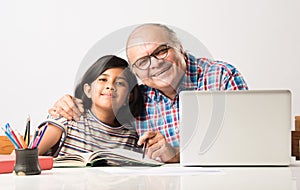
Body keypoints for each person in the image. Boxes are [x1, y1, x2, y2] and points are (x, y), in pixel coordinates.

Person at [48, 23, 248, 162]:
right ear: (136, 72)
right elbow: (105, 110)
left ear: (179, 47)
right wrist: (69, 104)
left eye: (161, 51)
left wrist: (179, 154)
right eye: (142, 62)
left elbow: (246, 142)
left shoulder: (220, 76)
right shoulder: (136, 98)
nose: (155, 64)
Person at [38, 55, 143, 157]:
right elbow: (28, 156)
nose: (110, 86)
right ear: (88, 90)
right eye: (103, 79)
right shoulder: (68, 119)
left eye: (120, 83)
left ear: (128, 98)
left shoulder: (131, 137)